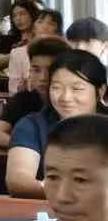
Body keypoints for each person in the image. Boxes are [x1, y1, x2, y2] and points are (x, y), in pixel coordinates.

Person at [6, 50, 108, 198]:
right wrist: (75, 195)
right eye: (56, 87)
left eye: (77, 89)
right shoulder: (32, 126)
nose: (65, 97)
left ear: (100, 91)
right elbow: (18, 181)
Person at [0, 36, 69, 149]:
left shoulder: (70, 102)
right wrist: (32, 146)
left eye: (50, 70)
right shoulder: (23, 100)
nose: (43, 78)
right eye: (36, 70)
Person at [7, 9, 65, 94]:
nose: (45, 26)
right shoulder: (17, 53)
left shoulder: (64, 52)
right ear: (33, 27)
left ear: (58, 30)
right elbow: (13, 87)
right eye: (40, 22)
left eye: (51, 24)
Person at [0, 0, 41, 64]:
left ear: (33, 14)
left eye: (22, 14)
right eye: (14, 16)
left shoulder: (41, 39)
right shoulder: (6, 39)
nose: (18, 18)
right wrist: (18, 52)